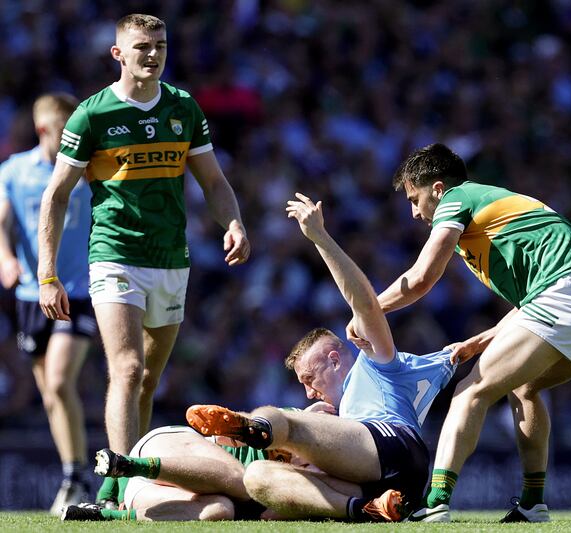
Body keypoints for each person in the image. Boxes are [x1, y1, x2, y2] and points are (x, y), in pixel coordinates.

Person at [347, 143, 571, 522]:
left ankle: (435, 502)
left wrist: (368, 309)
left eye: (415, 199)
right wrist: (483, 338)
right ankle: (533, 504)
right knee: (524, 387)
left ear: (438, 189)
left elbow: (419, 280)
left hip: (568, 293)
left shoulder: (458, 199)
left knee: (470, 391)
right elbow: (534, 296)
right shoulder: (492, 210)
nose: (415, 213)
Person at [36, 14, 250, 506]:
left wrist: (233, 222)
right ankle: (119, 487)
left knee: (149, 380)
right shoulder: (92, 116)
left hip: (171, 259)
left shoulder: (184, 107)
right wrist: (48, 274)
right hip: (115, 256)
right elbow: (56, 196)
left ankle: (123, 478)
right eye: (141, 46)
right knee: (127, 369)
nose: (152, 54)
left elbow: (213, 182)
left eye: (160, 44)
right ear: (118, 54)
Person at [184, 192, 458, 521]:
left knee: (280, 418)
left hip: (394, 448)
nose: (308, 391)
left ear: (333, 359)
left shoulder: (374, 362)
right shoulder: (334, 419)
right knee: (259, 479)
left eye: (309, 379)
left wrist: (319, 236)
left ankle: (254, 428)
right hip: (376, 488)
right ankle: (366, 511)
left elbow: (366, 303)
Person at [0, 93, 98, 514]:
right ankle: (73, 474)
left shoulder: (89, 170)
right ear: (44, 131)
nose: (74, 139)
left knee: (59, 381)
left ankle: (78, 476)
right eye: (65, 132)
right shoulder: (14, 171)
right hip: (30, 296)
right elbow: (2, 222)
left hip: (79, 291)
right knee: (50, 395)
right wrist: (5, 258)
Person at [61, 405, 320, 522]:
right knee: (243, 481)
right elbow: (228, 432)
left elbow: (269, 515)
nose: (309, 391)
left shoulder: (322, 484)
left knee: (219, 510)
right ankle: (123, 467)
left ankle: (103, 515)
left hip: (148, 491)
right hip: (173, 445)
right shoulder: (296, 420)